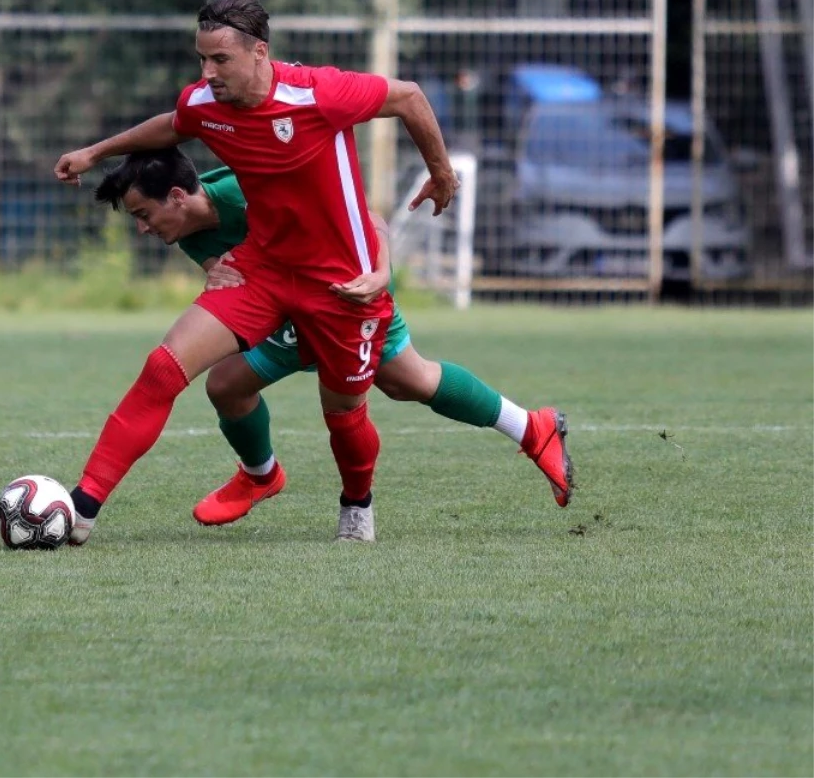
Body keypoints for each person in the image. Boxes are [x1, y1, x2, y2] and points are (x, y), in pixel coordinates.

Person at [54, 0, 572, 545]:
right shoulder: (207, 105)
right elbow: (174, 123)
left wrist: (441, 176)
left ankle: (359, 502)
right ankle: (83, 509)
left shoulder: (319, 93)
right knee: (167, 368)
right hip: (268, 273)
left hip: (343, 285)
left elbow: (409, 97)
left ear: (260, 52)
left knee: (362, 402)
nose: (207, 73)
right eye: (201, 59)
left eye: (219, 60)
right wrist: (94, 153)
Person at [93, 147, 572, 531]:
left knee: (409, 381)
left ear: (177, 196)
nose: (141, 228)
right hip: (290, 308)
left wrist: (380, 271)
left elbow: (368, 218)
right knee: (226, 385)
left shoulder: (247, 189)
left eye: (143, 213)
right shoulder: (187, 231)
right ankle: (261, 476)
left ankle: (531, 428)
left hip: (349, 290)